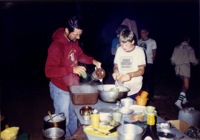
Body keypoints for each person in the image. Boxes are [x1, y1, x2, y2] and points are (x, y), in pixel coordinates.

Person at [45, 16, 101, 137]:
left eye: (80, 34)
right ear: (66, 30)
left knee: (73, 115)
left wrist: (93, 61)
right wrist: (71, 69)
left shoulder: (73, 42)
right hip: (60, 89)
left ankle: (74, 137)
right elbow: (48, 71)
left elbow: (80, 55)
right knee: (62, 119)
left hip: (72, 88)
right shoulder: (56, 46)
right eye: (76, 34)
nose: (78, 37)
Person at [112, 29, 146, 99]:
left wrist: (130, 75)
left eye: (126, 44)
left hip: (134, 87)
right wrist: (115, 71)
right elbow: (116, 65)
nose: (124, 47)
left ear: (133, 41)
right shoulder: (119, 49)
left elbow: (142, 70)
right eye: (122, 44)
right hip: (121, 87)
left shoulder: (139, 51)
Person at [171, 36, 199, 109]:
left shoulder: (176, 47)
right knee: (186, 86)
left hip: (177, 68)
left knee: (183, 84)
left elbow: (172, 60)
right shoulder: (189, 48)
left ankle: (184, 99)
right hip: (185, 68)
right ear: (188, 40)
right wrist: (197, 61)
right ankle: (178, 101)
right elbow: (193, 61)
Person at [138, 28, 157, 101]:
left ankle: (151, 95)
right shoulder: (139, 41)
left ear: (147, 33)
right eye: (141, 32)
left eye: (143, 32)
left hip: (149, 62)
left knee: (149, 79)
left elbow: (154, 52)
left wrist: (152, 60)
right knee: (142, 79)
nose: (141, 34)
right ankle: (142, 95)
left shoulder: (152, 41)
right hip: (140, 63)